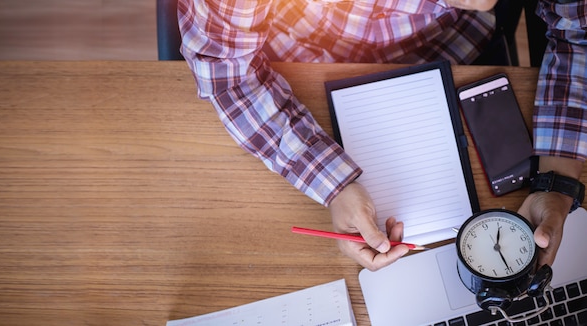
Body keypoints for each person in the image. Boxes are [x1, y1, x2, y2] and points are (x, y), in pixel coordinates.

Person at [177, 0, 586, 271]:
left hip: (453, 47)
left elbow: (579, 33)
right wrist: (330, 183)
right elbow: (227, 69)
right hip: (297, 64)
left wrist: (558, 180)